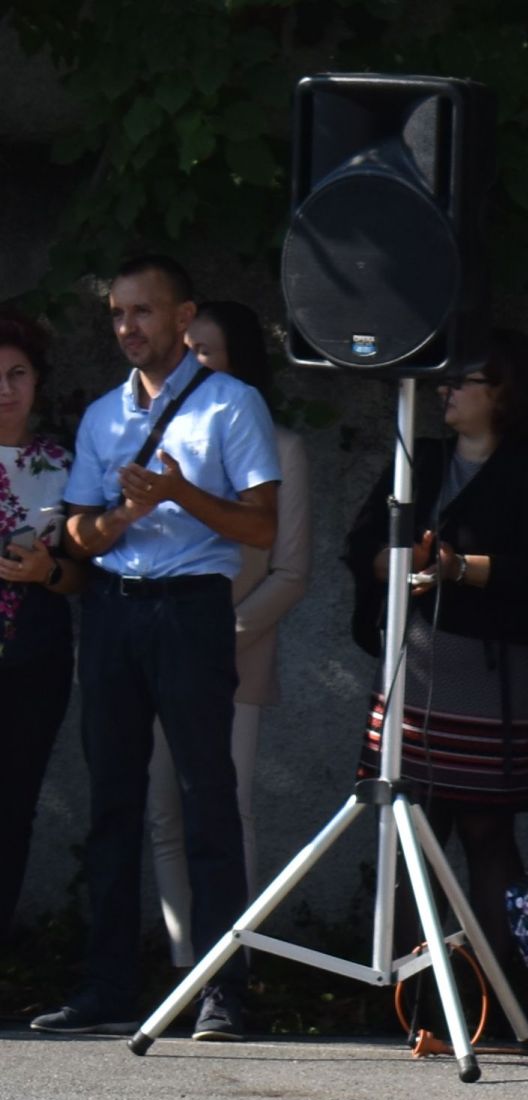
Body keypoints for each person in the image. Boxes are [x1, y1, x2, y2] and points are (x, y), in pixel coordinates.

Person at [35, 256, 280, 1039]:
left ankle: (221, 989)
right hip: (113, 608)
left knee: (208, 797)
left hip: (190, 609)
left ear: (183, 316)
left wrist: (178, 493)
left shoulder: (232, 404)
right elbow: (78, 531)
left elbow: (262, 526)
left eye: (143, 311)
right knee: (111, 799)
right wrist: (121, 519)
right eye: (117, 312)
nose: (127, 327)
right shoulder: (103, 415)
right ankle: (106, 984)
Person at [343, 328, 528, 971]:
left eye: (462, 381)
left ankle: (495, 989)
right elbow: (359, 544)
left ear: (503, 393)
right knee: (410, 824)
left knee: (484, 825)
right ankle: (405, 988)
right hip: (414, 659)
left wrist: (457, 569)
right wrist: (400, 563)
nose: (444, 390)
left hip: (490, 669)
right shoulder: (419, 456)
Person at [142, 302, 310, 965]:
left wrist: (210, 638)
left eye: (204, 351)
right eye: (183, 349)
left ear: (239, 362)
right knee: (164, 810)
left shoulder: (281, 447)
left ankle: (228, 971)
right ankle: (183, 966)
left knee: (226, 807)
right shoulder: (151, 442)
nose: (188, 363)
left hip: (232, 658)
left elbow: (290, 573)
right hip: (158, 651)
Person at [0, 311, 86, 943]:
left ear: (37, 380)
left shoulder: (62, 462)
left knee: (12, 805)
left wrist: (46, 571)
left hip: (35, 655)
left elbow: (85, 575)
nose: (5, 389)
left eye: (17, 373)